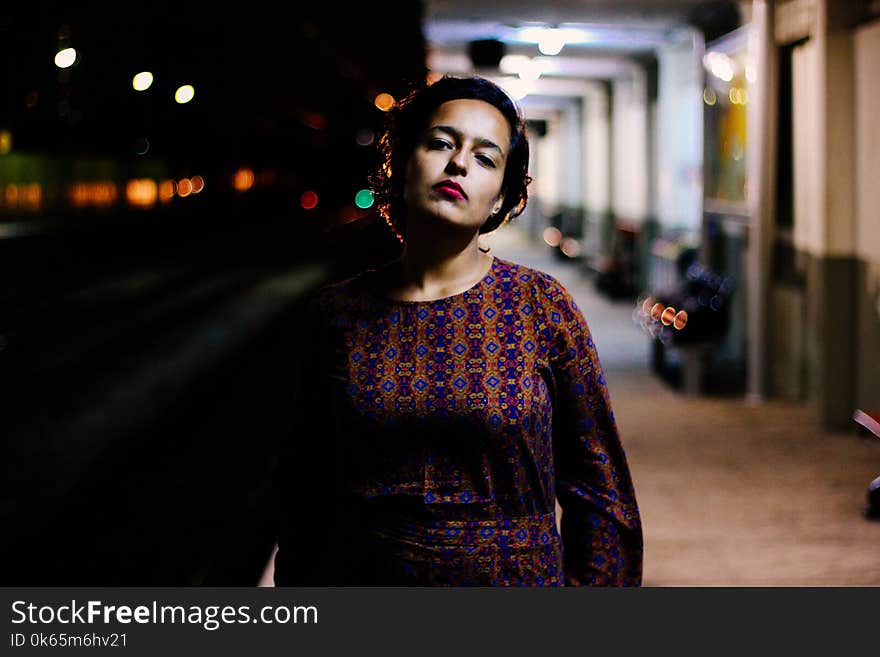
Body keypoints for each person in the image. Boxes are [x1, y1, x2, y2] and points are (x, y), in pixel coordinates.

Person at [273, 75, 642, 586]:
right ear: (401, 165)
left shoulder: (541, 307)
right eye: (441, 143)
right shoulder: (335, 315)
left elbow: (601, 493)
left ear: (501, 199)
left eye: (486, 158)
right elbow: (302, 493)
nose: (460, 163)